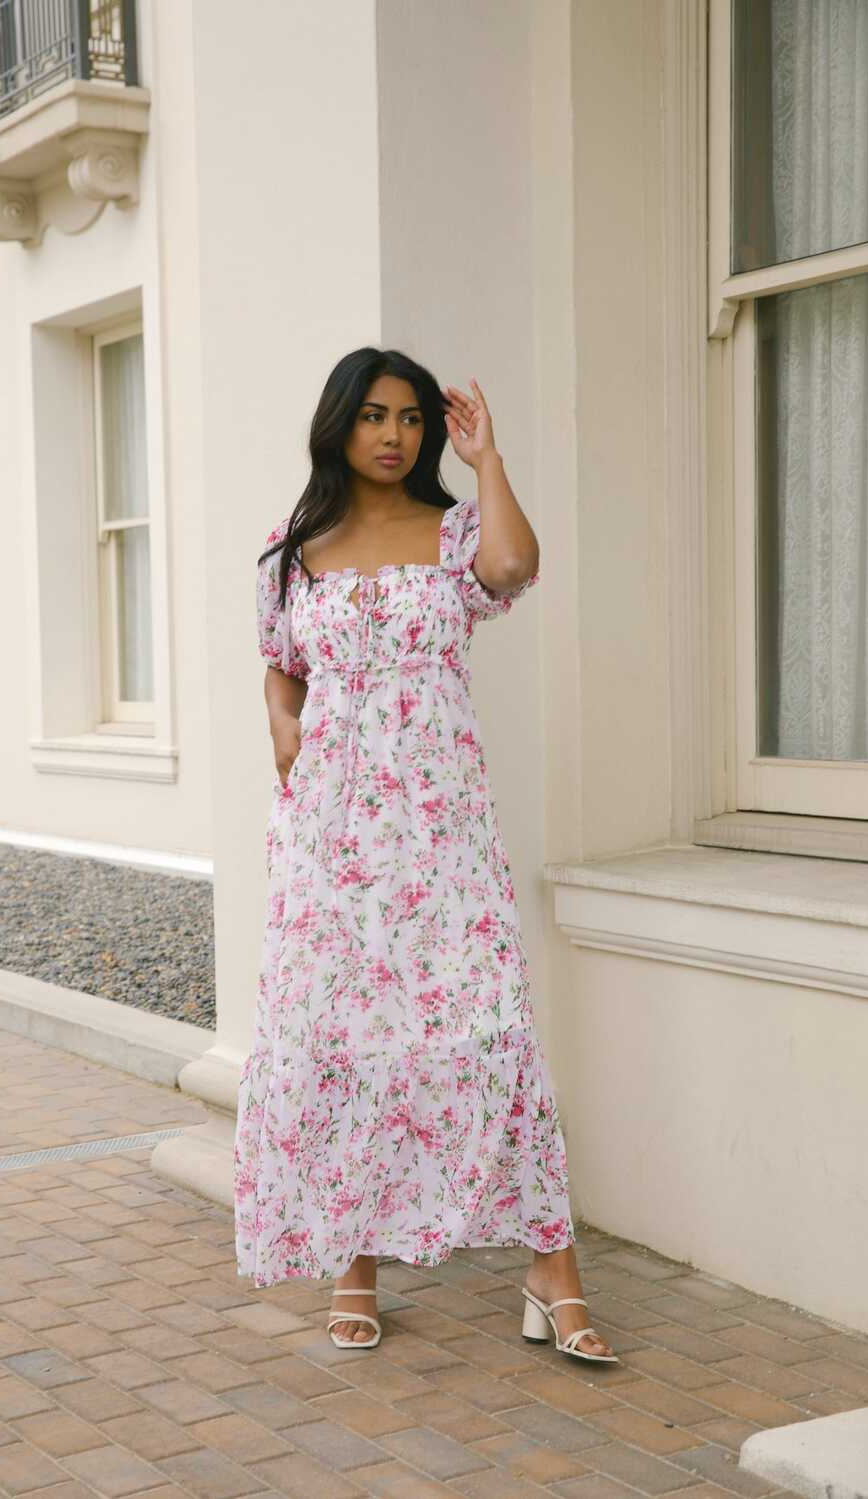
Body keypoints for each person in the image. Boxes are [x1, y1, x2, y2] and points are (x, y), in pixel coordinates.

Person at [233, 347, 616, 1364]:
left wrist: (489, 462)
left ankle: (551, 1264)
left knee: (488, 1022)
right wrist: (282, 721)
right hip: (328, 833)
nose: (395, 435)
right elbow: (278, 661)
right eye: (373, 416)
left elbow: (515, 568)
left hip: (440, 828)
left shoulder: (454, 534)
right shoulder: (293, 547)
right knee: (345, 1030)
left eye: (411, 417)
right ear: (339, 427)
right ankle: (353, 1257)